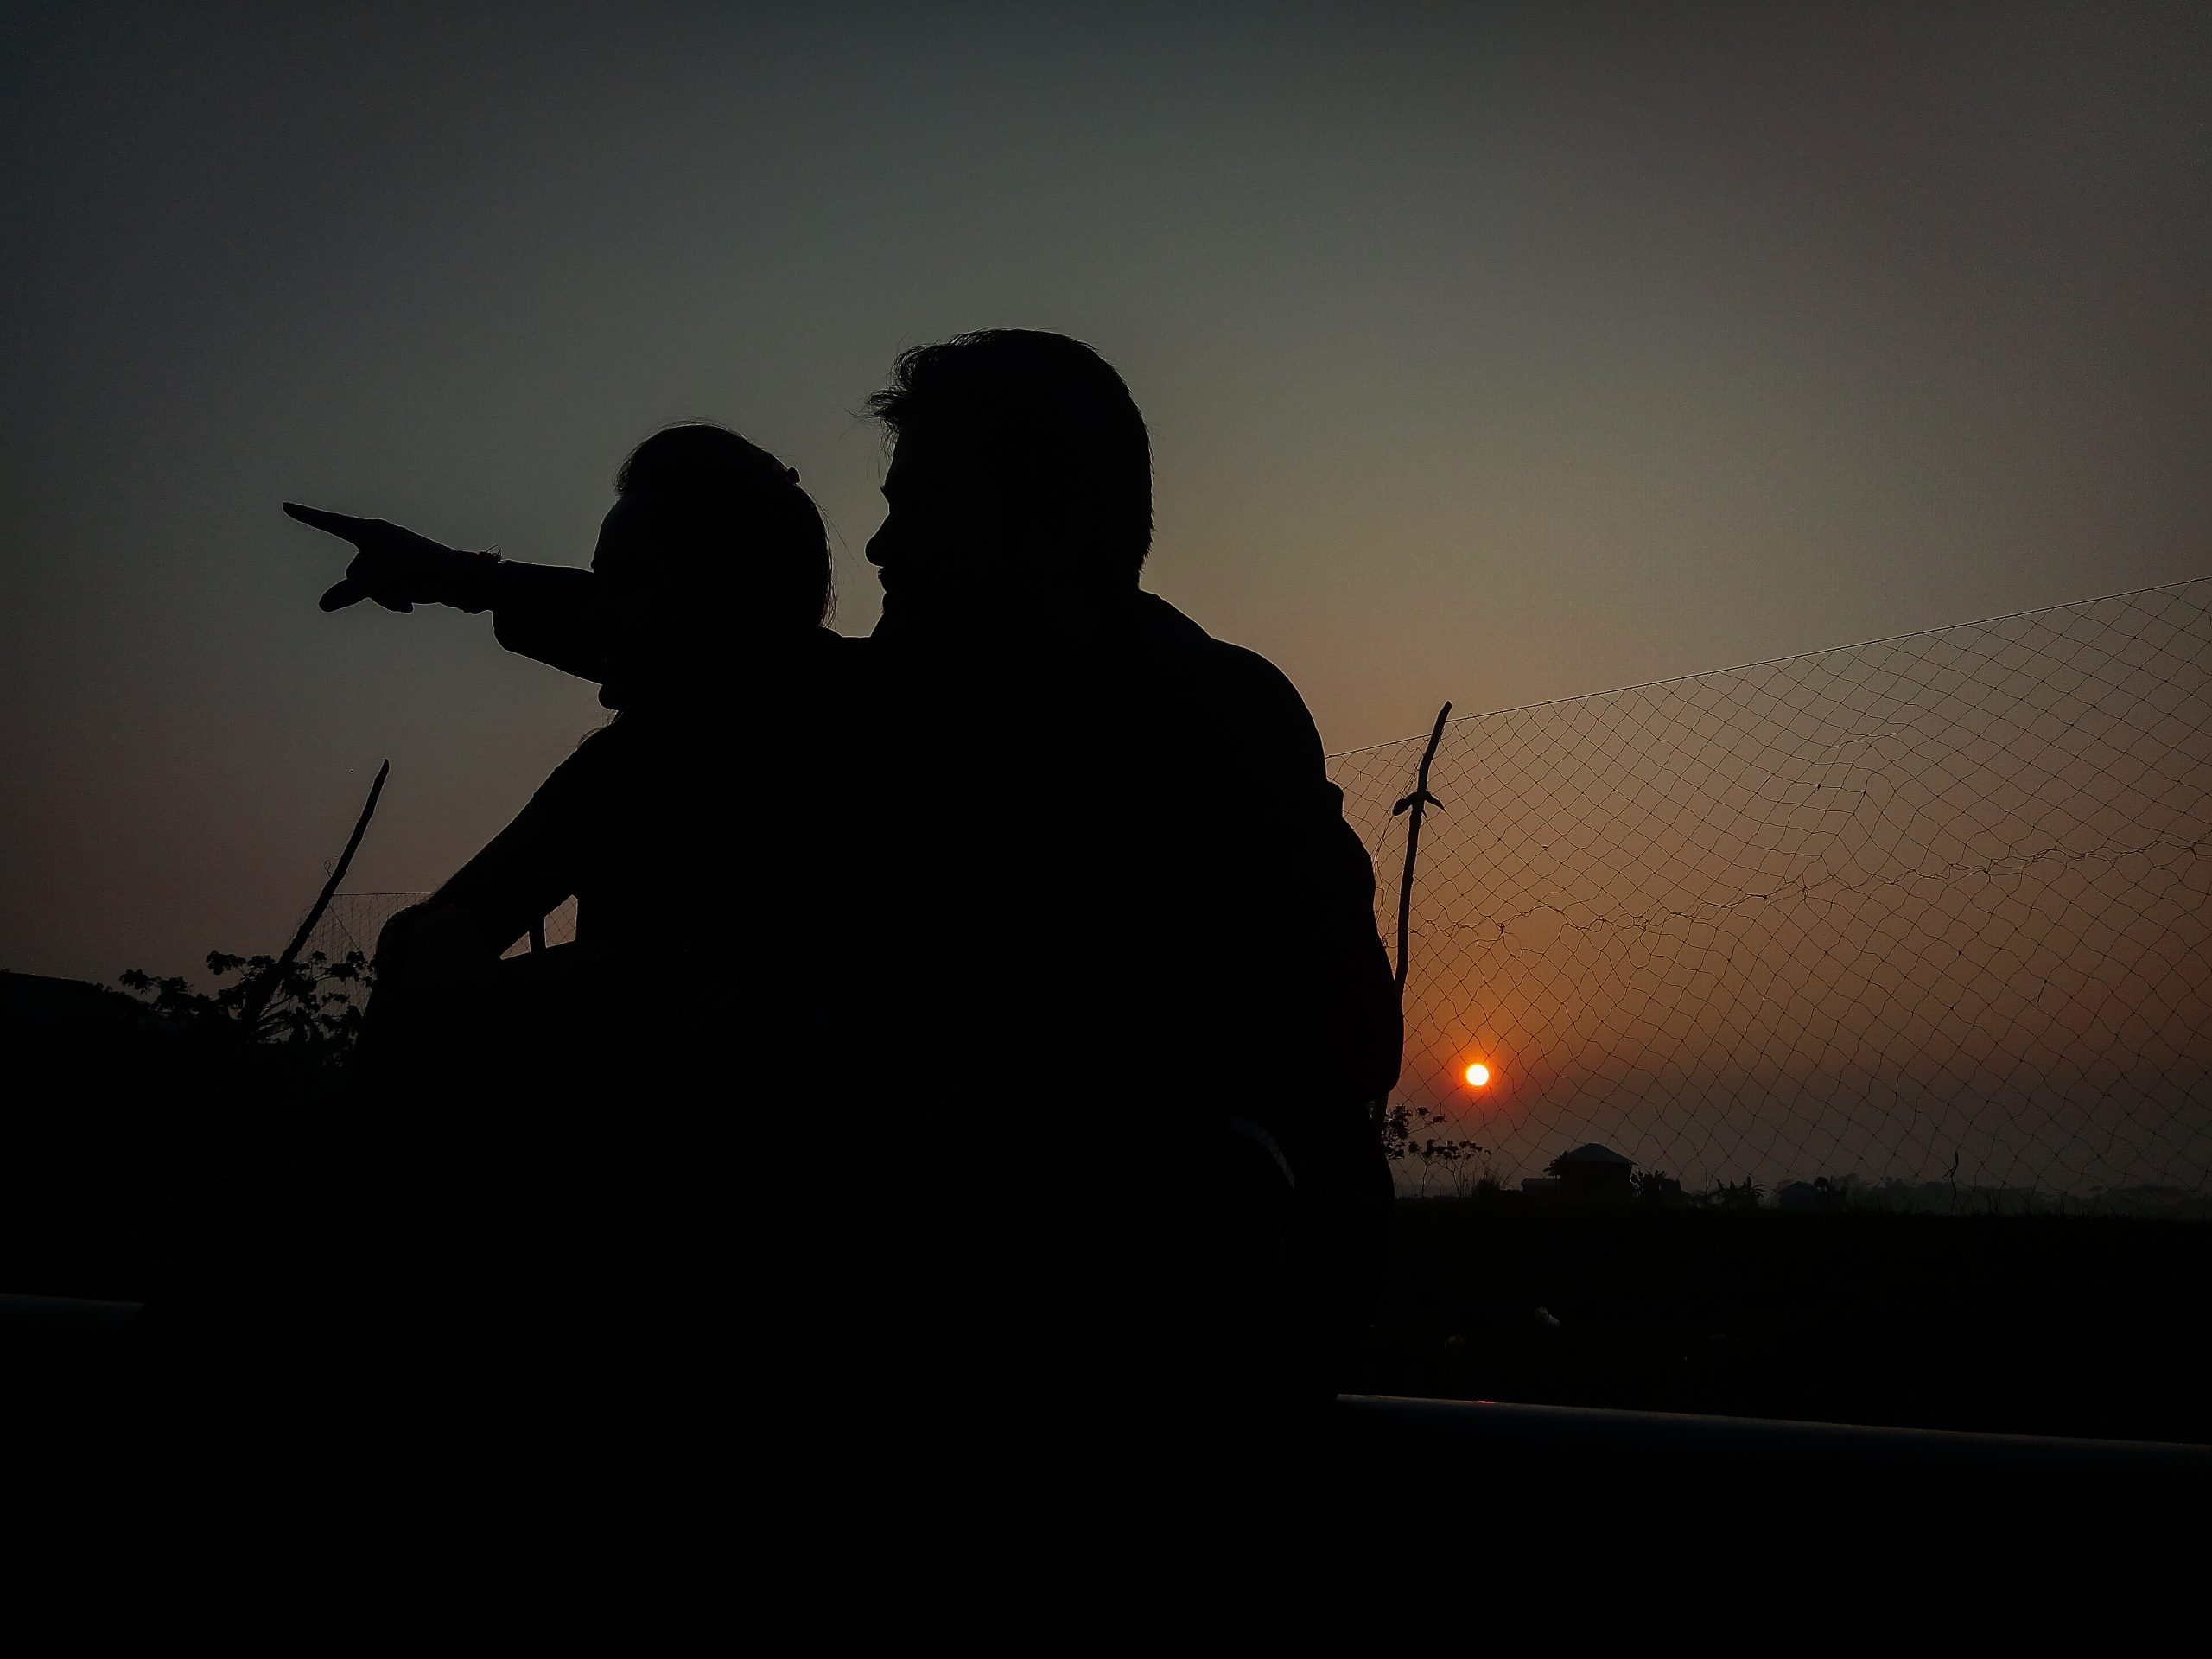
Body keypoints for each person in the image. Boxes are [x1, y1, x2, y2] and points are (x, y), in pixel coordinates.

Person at [289, 335, 1402, 1498]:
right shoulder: (902, 703)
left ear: (1054, 524)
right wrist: (464, 578)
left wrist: (1014, 1099)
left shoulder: (1215, 717)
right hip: (940, 1227)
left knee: (1187, 1181)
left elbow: (1341, 1030)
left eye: (919, 507)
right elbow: (702, 636)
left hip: (1169, 1249)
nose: (880, 547)